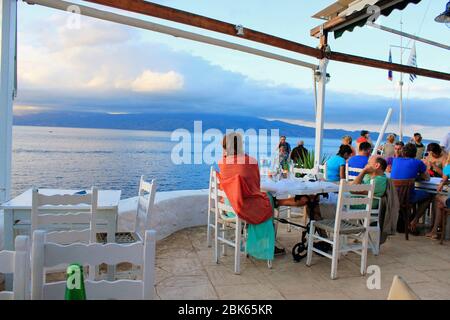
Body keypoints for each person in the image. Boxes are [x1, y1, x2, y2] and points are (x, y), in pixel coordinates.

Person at [218, 132, 319, 257]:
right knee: (266, 202)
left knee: (268, 200)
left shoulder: (222, 163)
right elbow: (255, 187)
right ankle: (265, 245)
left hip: (228, 206)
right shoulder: (249, 162)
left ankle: (276, 206)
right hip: (241, 207)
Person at [390, 143, 432, 233]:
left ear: (403, 152)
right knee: (429, 196)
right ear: (415, 153)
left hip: (393, 197)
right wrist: (418, 175)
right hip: (407, 197)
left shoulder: (395, 161)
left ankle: (408, 221)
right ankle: (414, 220)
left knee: (414, 194)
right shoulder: (418, 162)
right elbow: (427, 178)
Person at [426, 153, 450, 239]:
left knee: (436, 198)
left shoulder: (448, 168)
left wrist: (443, 183)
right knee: (439, 202)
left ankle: (434, 230)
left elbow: (443, 180)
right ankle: (436, 229)